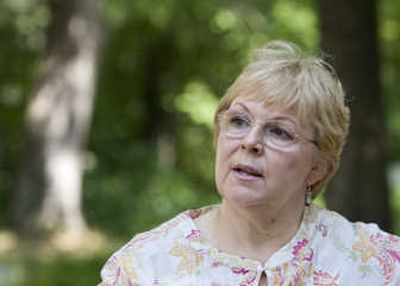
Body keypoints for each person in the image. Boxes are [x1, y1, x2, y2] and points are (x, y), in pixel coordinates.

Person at [99, 40, 400, 285]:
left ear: (318, 168)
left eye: (279, 131)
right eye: (239, 121)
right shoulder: (144, 267)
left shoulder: (374, 263)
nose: (250, 141)